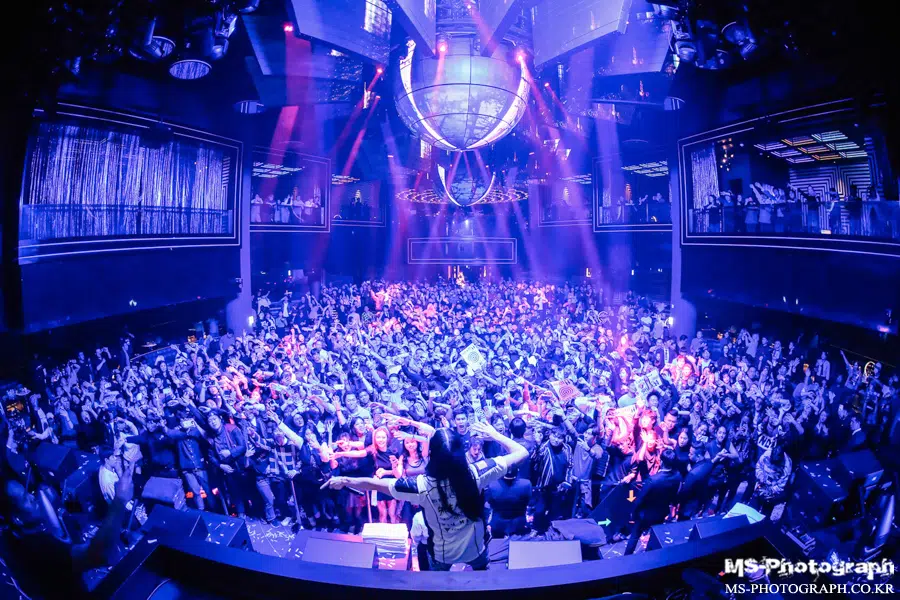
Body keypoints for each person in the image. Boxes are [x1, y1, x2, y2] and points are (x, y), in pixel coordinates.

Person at [321, 421, 528, 570]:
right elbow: (521, 452)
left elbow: (376, 484)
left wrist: (345, 480)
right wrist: (495, 435)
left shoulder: (421, 485)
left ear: (431, 455)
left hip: (443, 554)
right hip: (475, 549)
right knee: (483, 581)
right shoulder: (478, 472)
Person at [624, 449, 682, 555]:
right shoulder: (678, 476)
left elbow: (640, 499)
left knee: (635, 535)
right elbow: (675, 495)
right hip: (661, 512)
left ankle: (626, 558)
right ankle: (649, 555)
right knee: (654, 536)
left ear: (661, 461)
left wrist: (634, 513)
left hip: (645, 514)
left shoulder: (653, 481)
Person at [485, 465, 532, 538]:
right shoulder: (526, 484)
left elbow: (490, 503)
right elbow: (528, 502)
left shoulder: (492, 485)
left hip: (498, 524)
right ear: (517, 471)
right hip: (518, 524)